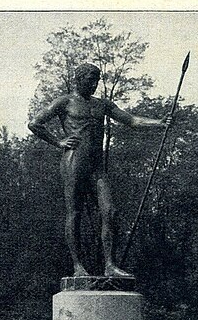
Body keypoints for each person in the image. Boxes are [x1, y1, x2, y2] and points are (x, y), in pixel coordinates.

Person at [28, 63, 170, 277]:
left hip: (96, 165)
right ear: (79, 80)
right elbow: (35, 123)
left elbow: (131, 120)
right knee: (74, 213)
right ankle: (78, 267)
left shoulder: (102, 104)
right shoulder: (65, 102)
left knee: (110, 212)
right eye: (90, 80)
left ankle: (110, 266)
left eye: (97, 80)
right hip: (74, 161)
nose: (94, 84)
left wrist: (158, 122)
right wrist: (59, 142)